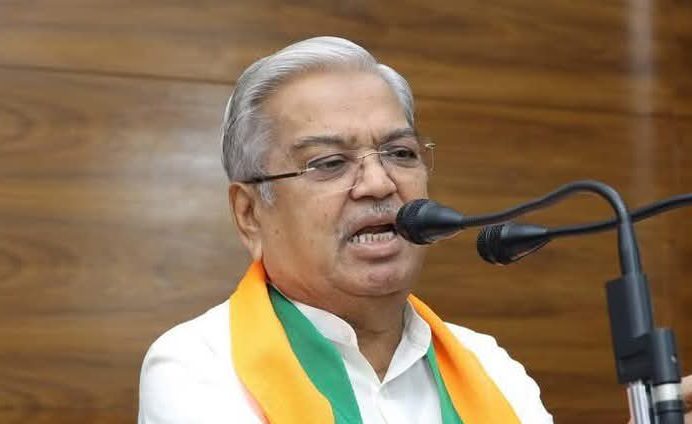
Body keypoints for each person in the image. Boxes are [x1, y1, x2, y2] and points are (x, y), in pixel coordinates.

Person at [138, 36, 691, 424]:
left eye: (400, 153)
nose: (379, 183)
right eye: (329, 163)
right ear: (249, 214)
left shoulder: (488, 364)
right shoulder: (198, 364)